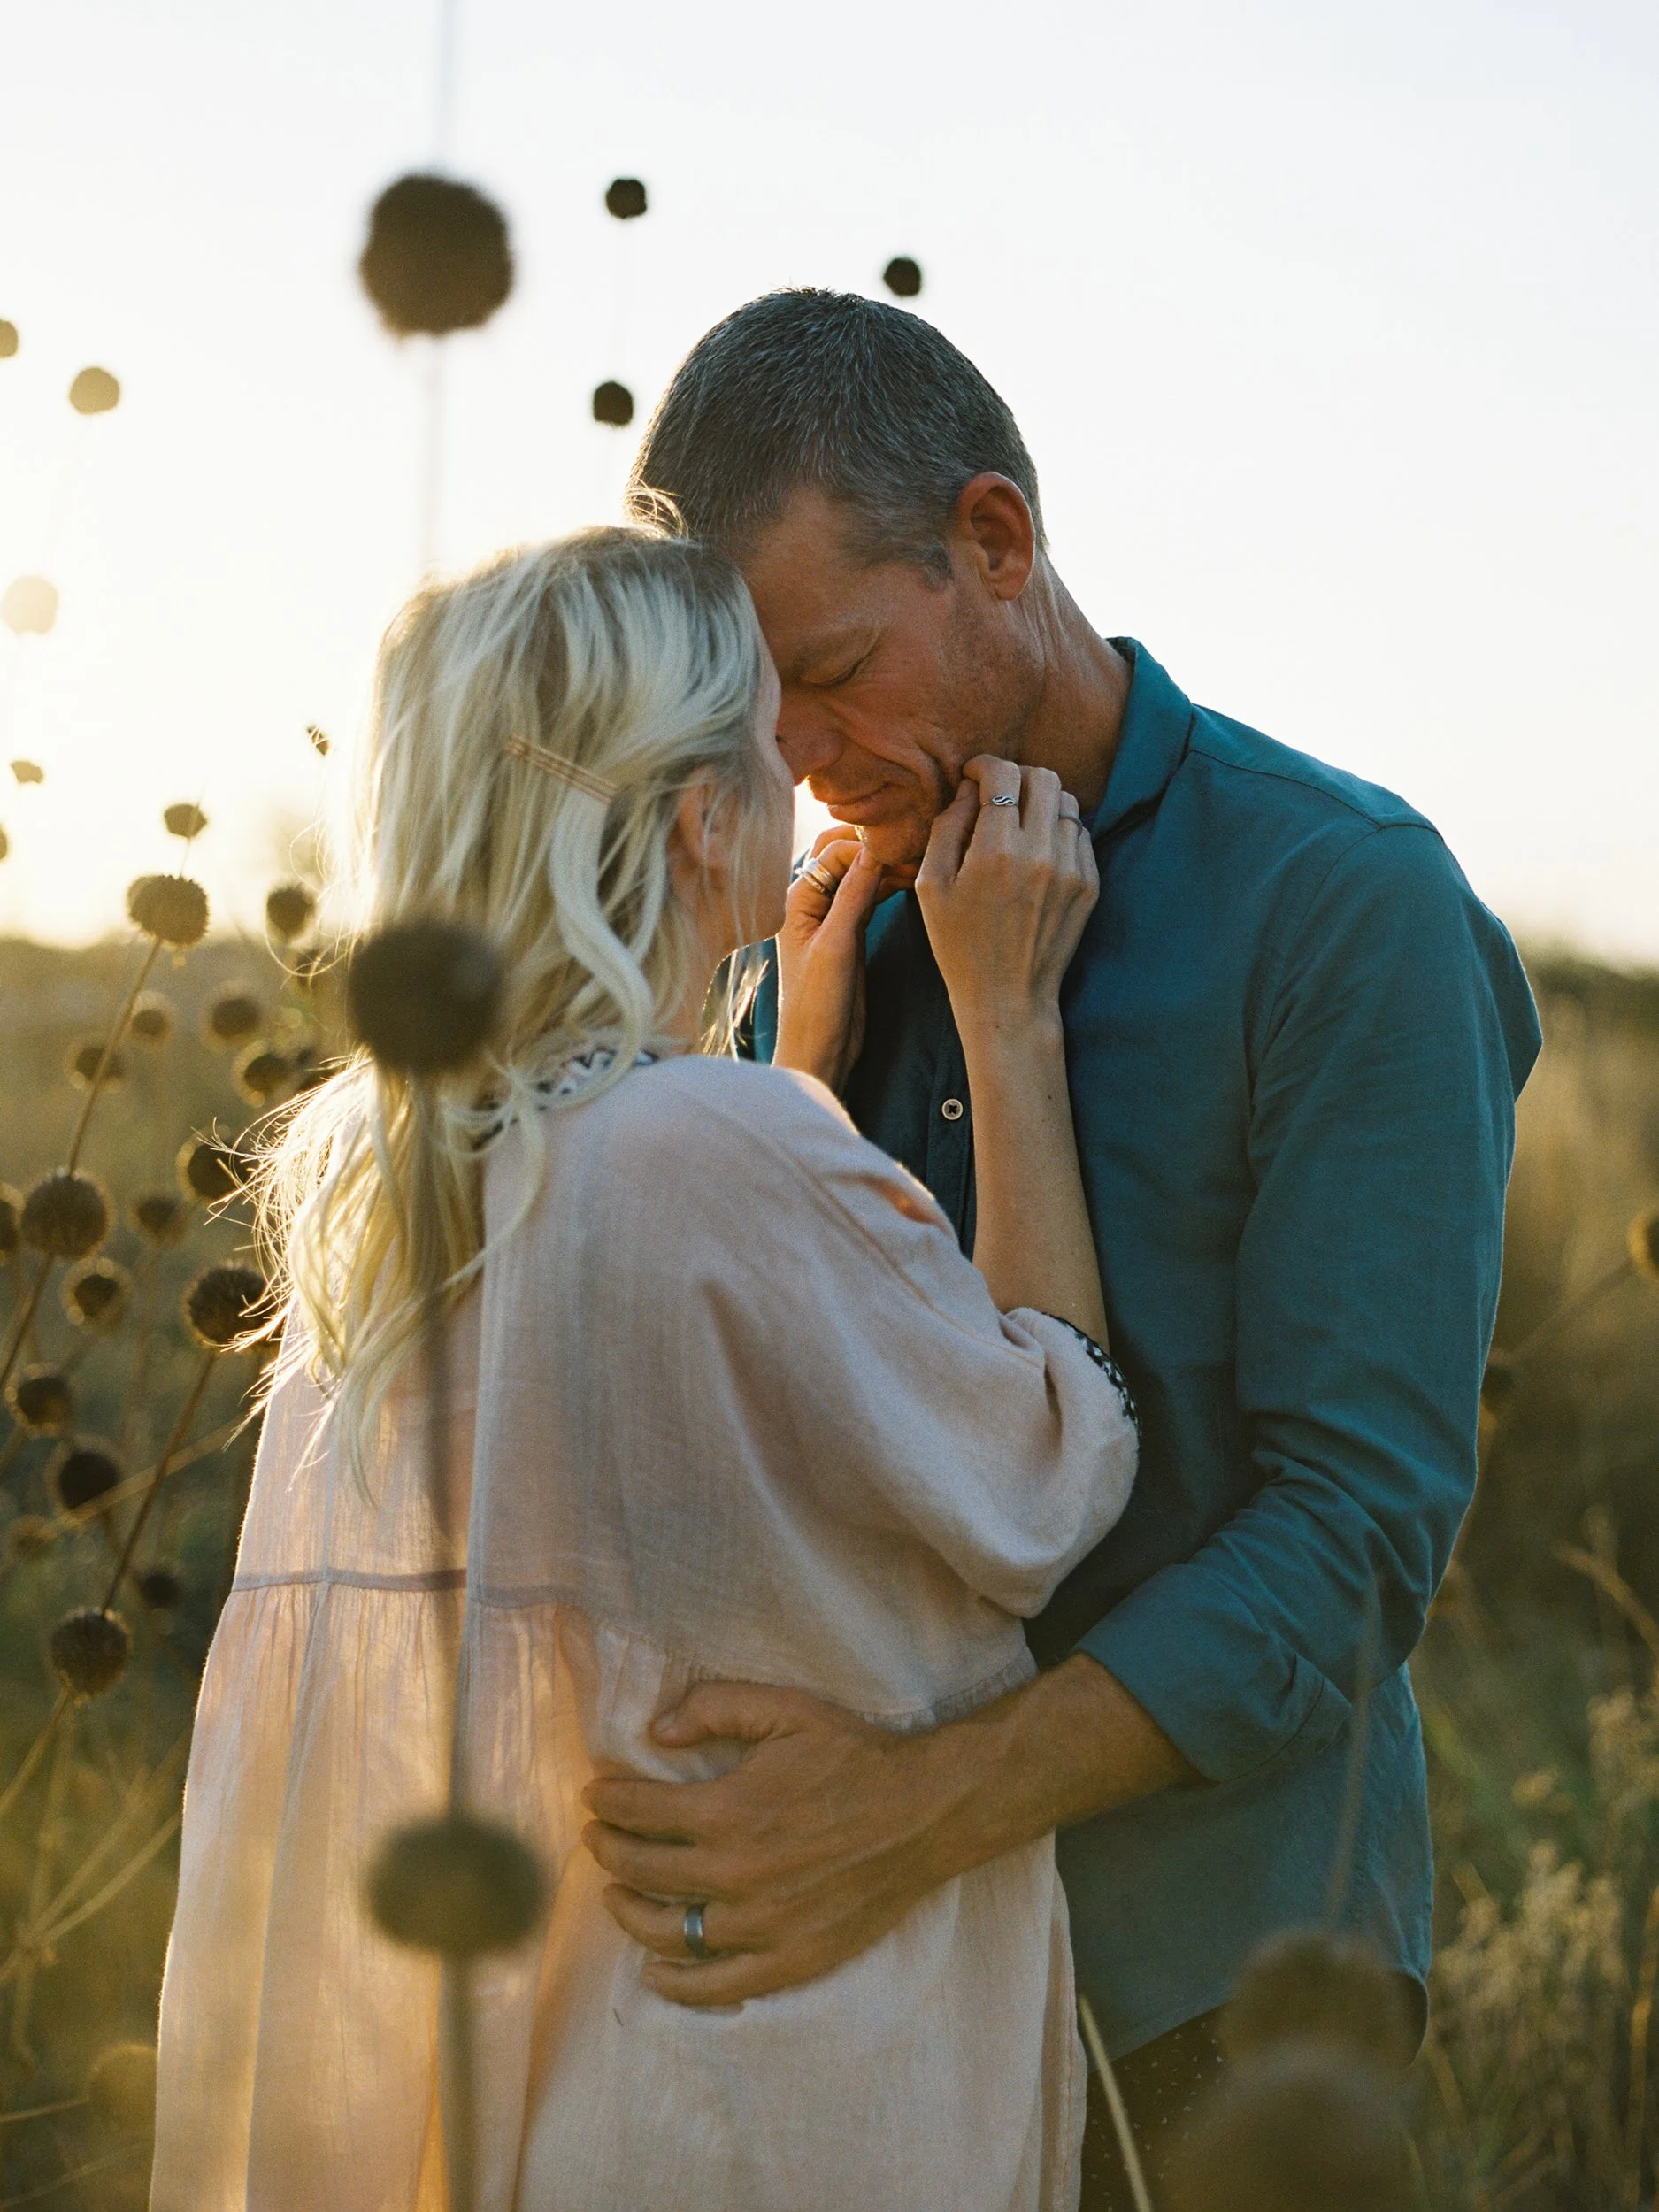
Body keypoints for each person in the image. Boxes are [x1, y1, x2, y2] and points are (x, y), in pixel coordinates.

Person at [581, 289, 1546, 2203]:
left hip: (1214, 1988)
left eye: (833, 667)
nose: (798, 754)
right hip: (865, 1992)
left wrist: (909, 1813)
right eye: (748, 712)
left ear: (994, 543)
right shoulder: (809, 927)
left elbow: (1351, 1540)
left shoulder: (1341, 905)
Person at [150, 526, 1141, 2210]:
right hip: (735, 2094)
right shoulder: (709, 1150)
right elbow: (1045, 1477)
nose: (807, 775)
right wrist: (1007, 1018)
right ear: (698, 819)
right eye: (772, 743)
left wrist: (791, 1073)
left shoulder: (377, 1176)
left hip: (494, 2101)